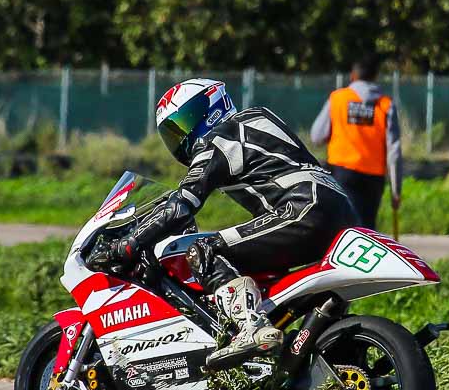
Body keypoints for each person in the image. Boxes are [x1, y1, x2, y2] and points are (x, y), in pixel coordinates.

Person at [89, 78, 359, 370]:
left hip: (304, 208)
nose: (183, 135)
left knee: (203, 250)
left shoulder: (221, 137)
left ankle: (251, 326)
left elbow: (182, 203)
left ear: (212, 106)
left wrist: (129, 242)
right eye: (173, 131)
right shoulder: (258, 118)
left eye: (187, 120)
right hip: (341, 208)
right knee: (249, 262)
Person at [309, 56, 403, 230]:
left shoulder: (338, 99)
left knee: (342, 226)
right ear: (375, 77)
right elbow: (394, 151)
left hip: (342, 171)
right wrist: (396, 191)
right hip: (373, 177)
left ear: (353, 76)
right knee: (366, 228)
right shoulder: (386, 105)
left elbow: (316, 136)